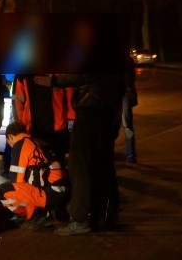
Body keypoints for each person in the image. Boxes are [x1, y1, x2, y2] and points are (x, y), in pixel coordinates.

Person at [34, 73, 124, 235]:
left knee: (80, 168)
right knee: (103, 166)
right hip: (108, 112)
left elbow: (84, 76)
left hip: (91, 112)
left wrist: (54, 81)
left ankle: (80, 218)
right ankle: (104, 215)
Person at [0, 122, 70, 228]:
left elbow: (16, 180)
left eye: (9, 143)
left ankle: (37, 215)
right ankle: (46, 211)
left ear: (10, 137)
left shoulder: (20, 144)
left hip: (49, 194)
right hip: (62, 190)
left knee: (3, 191)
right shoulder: (37, 142)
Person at [14, 74, 73, 163]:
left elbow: (70, 94)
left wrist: (71, 118)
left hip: (57, 127)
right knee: (36, 162)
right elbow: (18, 100)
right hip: (34, 127)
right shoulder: (22, 75)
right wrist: (20, 122)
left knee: (57, 163)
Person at [122, 55, 138, 163]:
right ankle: (130, 154)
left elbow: (129, 80)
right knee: (127, 126)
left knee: (127, 126)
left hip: (122, 95)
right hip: (123, 95)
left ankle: (130, 154)